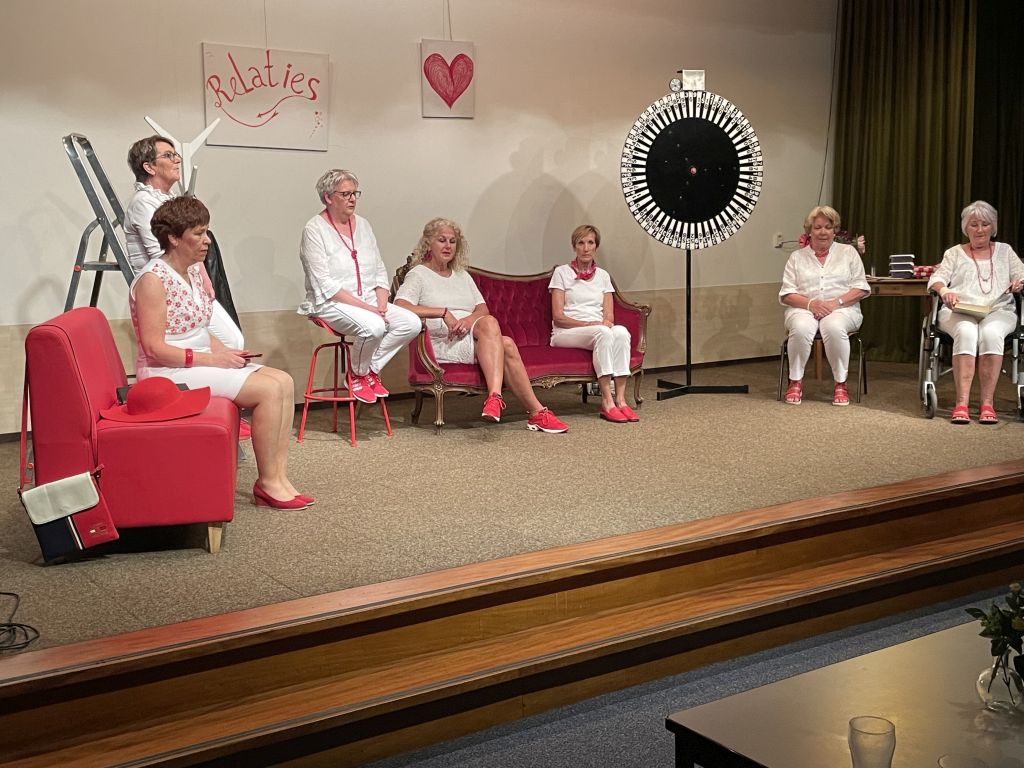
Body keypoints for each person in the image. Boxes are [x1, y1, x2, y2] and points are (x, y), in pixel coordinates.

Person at [131, 196, 312, 510]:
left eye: (206, 231)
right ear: (174, 238)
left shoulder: (192, 272)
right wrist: (215, 360)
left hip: (196, 362)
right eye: (198, 233)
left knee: (283, 381)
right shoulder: (152, 280)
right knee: (268, 390)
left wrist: (228, 354)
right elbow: (154, 348)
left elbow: (201, 331)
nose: (207, 240)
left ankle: (279, 477)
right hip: (166, 371)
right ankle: (268, 482)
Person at [394, 217, 570, 433]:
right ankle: (532, 411)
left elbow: (482, 309)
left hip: (471, 335)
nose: (448, 246)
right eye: (442, 240)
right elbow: (400, 306)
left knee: (491, 324)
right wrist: (443, 312)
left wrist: (467, 321)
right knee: (506, 344)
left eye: (452, 241)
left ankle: (500, 400)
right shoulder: (419, 274)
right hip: (443, 343)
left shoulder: (462, 276)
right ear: (428, 243)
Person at [297, 169, 419, 404]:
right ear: (328, 197)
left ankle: (368, 370)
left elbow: (379, 268)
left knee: (410, 323)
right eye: (345, 194)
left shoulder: (363, 225)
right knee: (374, 326)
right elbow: (324, 284)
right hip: (330, 302)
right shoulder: (314, 229)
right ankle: (357, 374)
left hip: (369, 300)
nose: (352, 199)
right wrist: (369, 310)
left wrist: (381, 304)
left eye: (355, 193)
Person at [124, 135, 245, 350]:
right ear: (149, 167)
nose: (177, 160)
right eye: (168, 156)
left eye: (176, 154)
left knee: (233, 341)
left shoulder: (166, 199)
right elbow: (162, 252)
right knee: (230, 342)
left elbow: (189, 251)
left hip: (187, 281)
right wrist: (198, 282)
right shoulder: (143, 202)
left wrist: (203, 279)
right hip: (165, 289)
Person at [928, 200, 1024, 425]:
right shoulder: (954, 253)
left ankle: (987, 404)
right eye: (974, 225)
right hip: (960, 310)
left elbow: (1021, 274)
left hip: (998, 310)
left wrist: (1019, 282)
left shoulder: (1005, 251)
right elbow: (936, 279)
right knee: (967, 332)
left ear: (993, 227)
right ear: (966, 228)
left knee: (991, 333)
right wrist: (945, 291)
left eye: (985, 224)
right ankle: (961, 404)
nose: (980, 230)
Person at [779, 205, 870, 406]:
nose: (823, 232)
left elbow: (861, 288)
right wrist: (811, 304)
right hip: (804, 308)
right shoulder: (797, 257)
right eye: (818, 227)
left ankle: (841, 384)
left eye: (828, 227)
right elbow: (786, 294)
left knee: (833, 326)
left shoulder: (848, 253)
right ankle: (795, 382)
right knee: (800, 327)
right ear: (809, 231)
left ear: (834, 230)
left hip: (843, 309)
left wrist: (834, 303)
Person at [549, 224, 638, 423]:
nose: (586, 248)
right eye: (581, 243)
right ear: (574, 247)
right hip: (566, 331)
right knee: (603, 332)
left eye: (590, 243)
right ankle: (607, 401)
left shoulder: (603, 276)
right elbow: (558, 317)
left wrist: (604, 323)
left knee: (621, 332)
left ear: (596, 246)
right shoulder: (561, 273)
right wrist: (590, 324)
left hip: (596, 329)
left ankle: (621, 400)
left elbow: (609, 316)